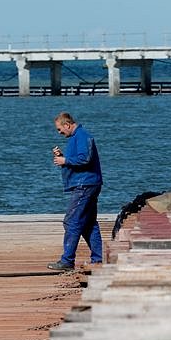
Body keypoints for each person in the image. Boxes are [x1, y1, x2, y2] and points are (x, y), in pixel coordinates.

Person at [47, 111, 104, 271]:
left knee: (71, 221)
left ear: (67, 124)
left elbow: (85, 158)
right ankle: (98, 259)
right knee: (88, 223)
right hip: (88, 183)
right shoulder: (76, 137)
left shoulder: (82, 136)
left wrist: (65, 160)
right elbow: (80, 158)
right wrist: (64, 157)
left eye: (60, 129)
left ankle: (67, 261)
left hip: (85, 185)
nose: (60, 133)